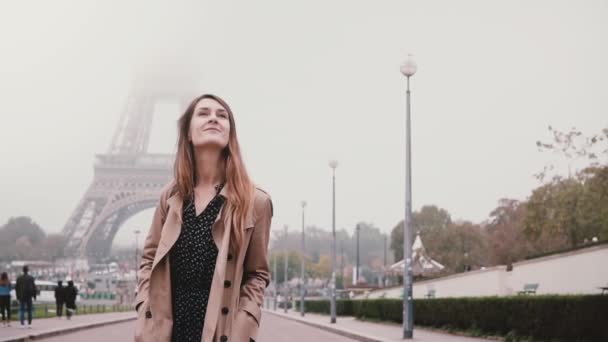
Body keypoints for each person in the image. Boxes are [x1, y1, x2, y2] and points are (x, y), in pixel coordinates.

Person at [134, 94, 273, 342]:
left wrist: (244, 323)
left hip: (220, 331)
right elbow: (149, 258)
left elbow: (257, 274)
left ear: (230, 134)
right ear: (188, 132)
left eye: (222, 115)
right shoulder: (171, 196)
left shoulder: (255, 202)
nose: (213, 118)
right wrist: (145, 304)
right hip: (168, 332)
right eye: (204, 113)